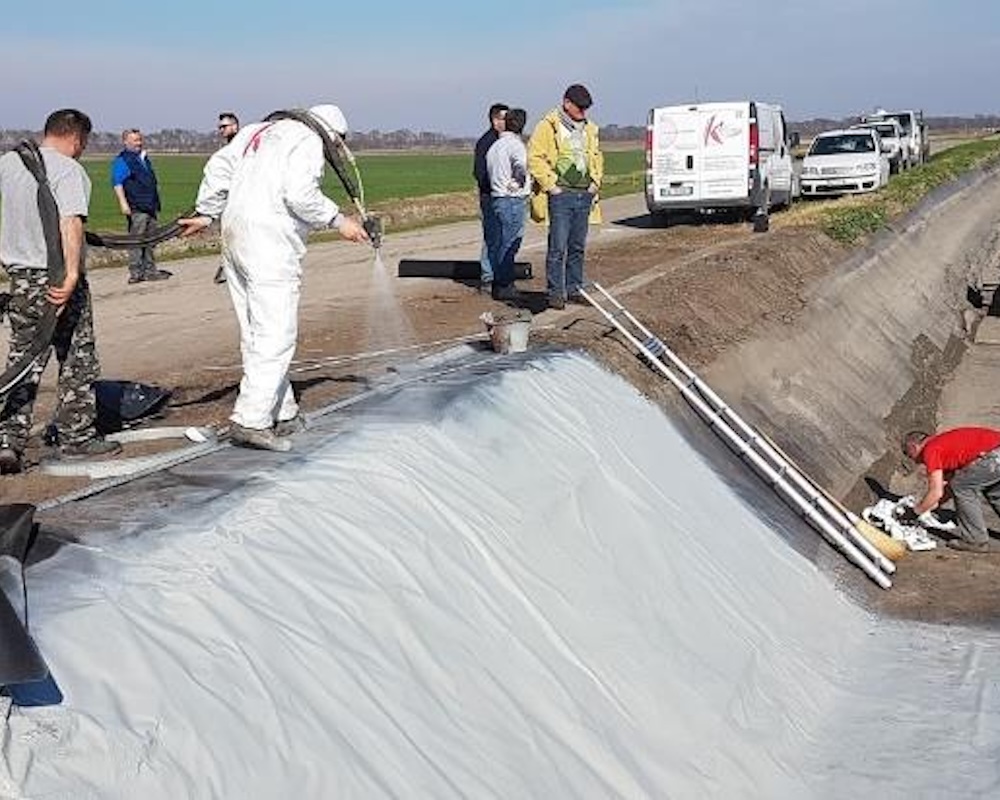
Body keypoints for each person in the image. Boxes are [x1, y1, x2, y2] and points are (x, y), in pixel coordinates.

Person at [178, 104, 369, 452]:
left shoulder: (256, 131)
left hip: (235, 236)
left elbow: (219, 166)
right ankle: (251, 420)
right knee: (276, 333)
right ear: (332, 133)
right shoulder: (308, 140)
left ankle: (283, 410)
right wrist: (339, 221)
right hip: (270, 243)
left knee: (255, 331)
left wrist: (207, 212)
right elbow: (300, 195)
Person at [0, 109, 122, 474]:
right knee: (76, 358)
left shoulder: (9, 164)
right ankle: (76, 437)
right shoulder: (69, 170)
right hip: (55, 277)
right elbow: (71, 222)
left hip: (20, 279)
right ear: (77, 138)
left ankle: (8, 441)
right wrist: (70, 275)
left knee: (24, 359)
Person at [528, 84, 604, 310]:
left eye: (586, 108)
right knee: (558, 247)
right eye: (579, 107)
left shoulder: (590, 129)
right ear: (566, 103)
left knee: (577, 246)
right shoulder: (548, 126)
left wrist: (595, 183)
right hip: (561, 195)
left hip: (584, 194)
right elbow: (535, 157)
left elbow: (597, 156)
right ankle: (555, 293)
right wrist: (551, 186)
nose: (583, 112)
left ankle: (574, 289)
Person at [901, 428, 1000, 553]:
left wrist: (914, 513)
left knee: (962, 486)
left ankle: (975, 540)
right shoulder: (944, 446)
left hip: (993, 456)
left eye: (908, 454)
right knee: (994, 491)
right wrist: (930, 507)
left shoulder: (930, 450)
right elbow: (946, 489)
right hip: (995, 452)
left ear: (913, 447)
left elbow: (936, 492)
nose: (914, 461)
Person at [111, 128, 170, 284]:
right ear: (126, 142)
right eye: (135, 140)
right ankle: (136, 272)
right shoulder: (123, 160)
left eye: (140, 139)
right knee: (136, 240)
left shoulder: (143, 158)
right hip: (136, 206)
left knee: (150, 240)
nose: (139, 143)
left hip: (150, 205)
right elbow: (117, 182)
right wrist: (123, 203)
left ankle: (150, 271)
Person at [485, 108, 529, 302]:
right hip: (512, 199)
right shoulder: (516, 145)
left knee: (501, 241)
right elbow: (520, 167)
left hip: (497, 197)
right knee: (510, 243)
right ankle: (504, 284)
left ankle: (499, 281)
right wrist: (518, 183)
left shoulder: (495, 146)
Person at [472, 103, 508, 295]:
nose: (506, 122)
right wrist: (496, 187)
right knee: (492, 237)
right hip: (490, 197)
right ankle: (488, 277)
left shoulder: (507, 140)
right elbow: (479, 173)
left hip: (506, 197)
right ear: (495, 120)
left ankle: (501, 275)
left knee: (505, 237)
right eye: (503, 118)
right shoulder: (486, 142)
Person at [213, 113, 242, 284]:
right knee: (228, 232)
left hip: (242, 196)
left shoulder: (242, 145)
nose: (221, 130)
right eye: (220, 127)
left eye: (224, 126)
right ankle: (227, 265)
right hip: (230, 197)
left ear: (235, 126)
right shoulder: (228, 148)